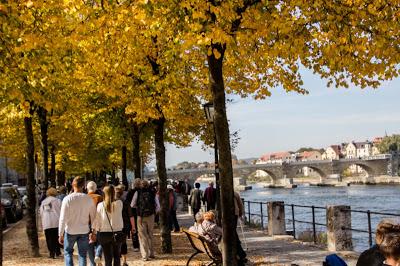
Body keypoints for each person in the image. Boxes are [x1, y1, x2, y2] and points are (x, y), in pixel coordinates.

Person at [59, 176, 97, 266]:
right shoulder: (88, 199)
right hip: (84, 230)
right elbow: (94, 217)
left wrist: (60, 233)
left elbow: (62, 218)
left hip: (70, 230)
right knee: (82, 255)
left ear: (73, 185)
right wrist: (94, 231)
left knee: (68, 253)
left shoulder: (67, 199)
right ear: (83, 186)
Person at [93, 186, 124, 266]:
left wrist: (94, 231)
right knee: (117, 256)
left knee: (107, 257)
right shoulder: (119, 203)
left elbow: (97, 220)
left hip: (104, 233)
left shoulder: (100, 205)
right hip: (117, 232)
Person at [131, 179, 160, 261]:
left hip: (141, 216)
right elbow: (158, 206)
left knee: (142, 236)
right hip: (151, 215)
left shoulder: (138, 192)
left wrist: (138, 207)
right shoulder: (152, 192)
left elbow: (132, 204)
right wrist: (154, 212)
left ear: (140, 185)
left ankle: (145, 255)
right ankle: (152, 253)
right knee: (150, 234)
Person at [115, 185, 135, 266]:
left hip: (115, 225)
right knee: (123, 243)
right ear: (122, 193)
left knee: (115, 243)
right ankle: (124, 261)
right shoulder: (125, 202)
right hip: (125, 225)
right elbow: (131, 216)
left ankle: (116, 260)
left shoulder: (112, 202)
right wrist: (133, 227)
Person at [40, 187, 62, 259]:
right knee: (56, 237)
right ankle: (57, 252)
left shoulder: (43, 202)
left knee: (48, 238)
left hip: (47, 222)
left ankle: (51, 253)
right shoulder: (58, 201)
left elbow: (41, 213)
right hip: (56, 222)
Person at [87, 181, 104, 266]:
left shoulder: (85, 198)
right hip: (98, 222)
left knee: (90, 243)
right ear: (96, 188)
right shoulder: (100, 197)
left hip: (88, 223)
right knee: (100, 241)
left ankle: (92, 263)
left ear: (87, 188)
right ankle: (98, 254)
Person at [125, 179, 141, 252]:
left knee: (134, 229)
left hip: (132, 212)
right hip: (141, 212)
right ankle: (142, 244)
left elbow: (127, 202)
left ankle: (136, 246)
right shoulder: (142, 191)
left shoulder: (130, 192)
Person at [234, 191, 247, 265]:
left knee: (233, 233)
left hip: (227, 214)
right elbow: (240, 204)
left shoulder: (221, 193)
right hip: (235, 213)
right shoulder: (235, 193)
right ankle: (241, 252)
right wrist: (241, 213)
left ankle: (240, 252)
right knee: (234, 232)